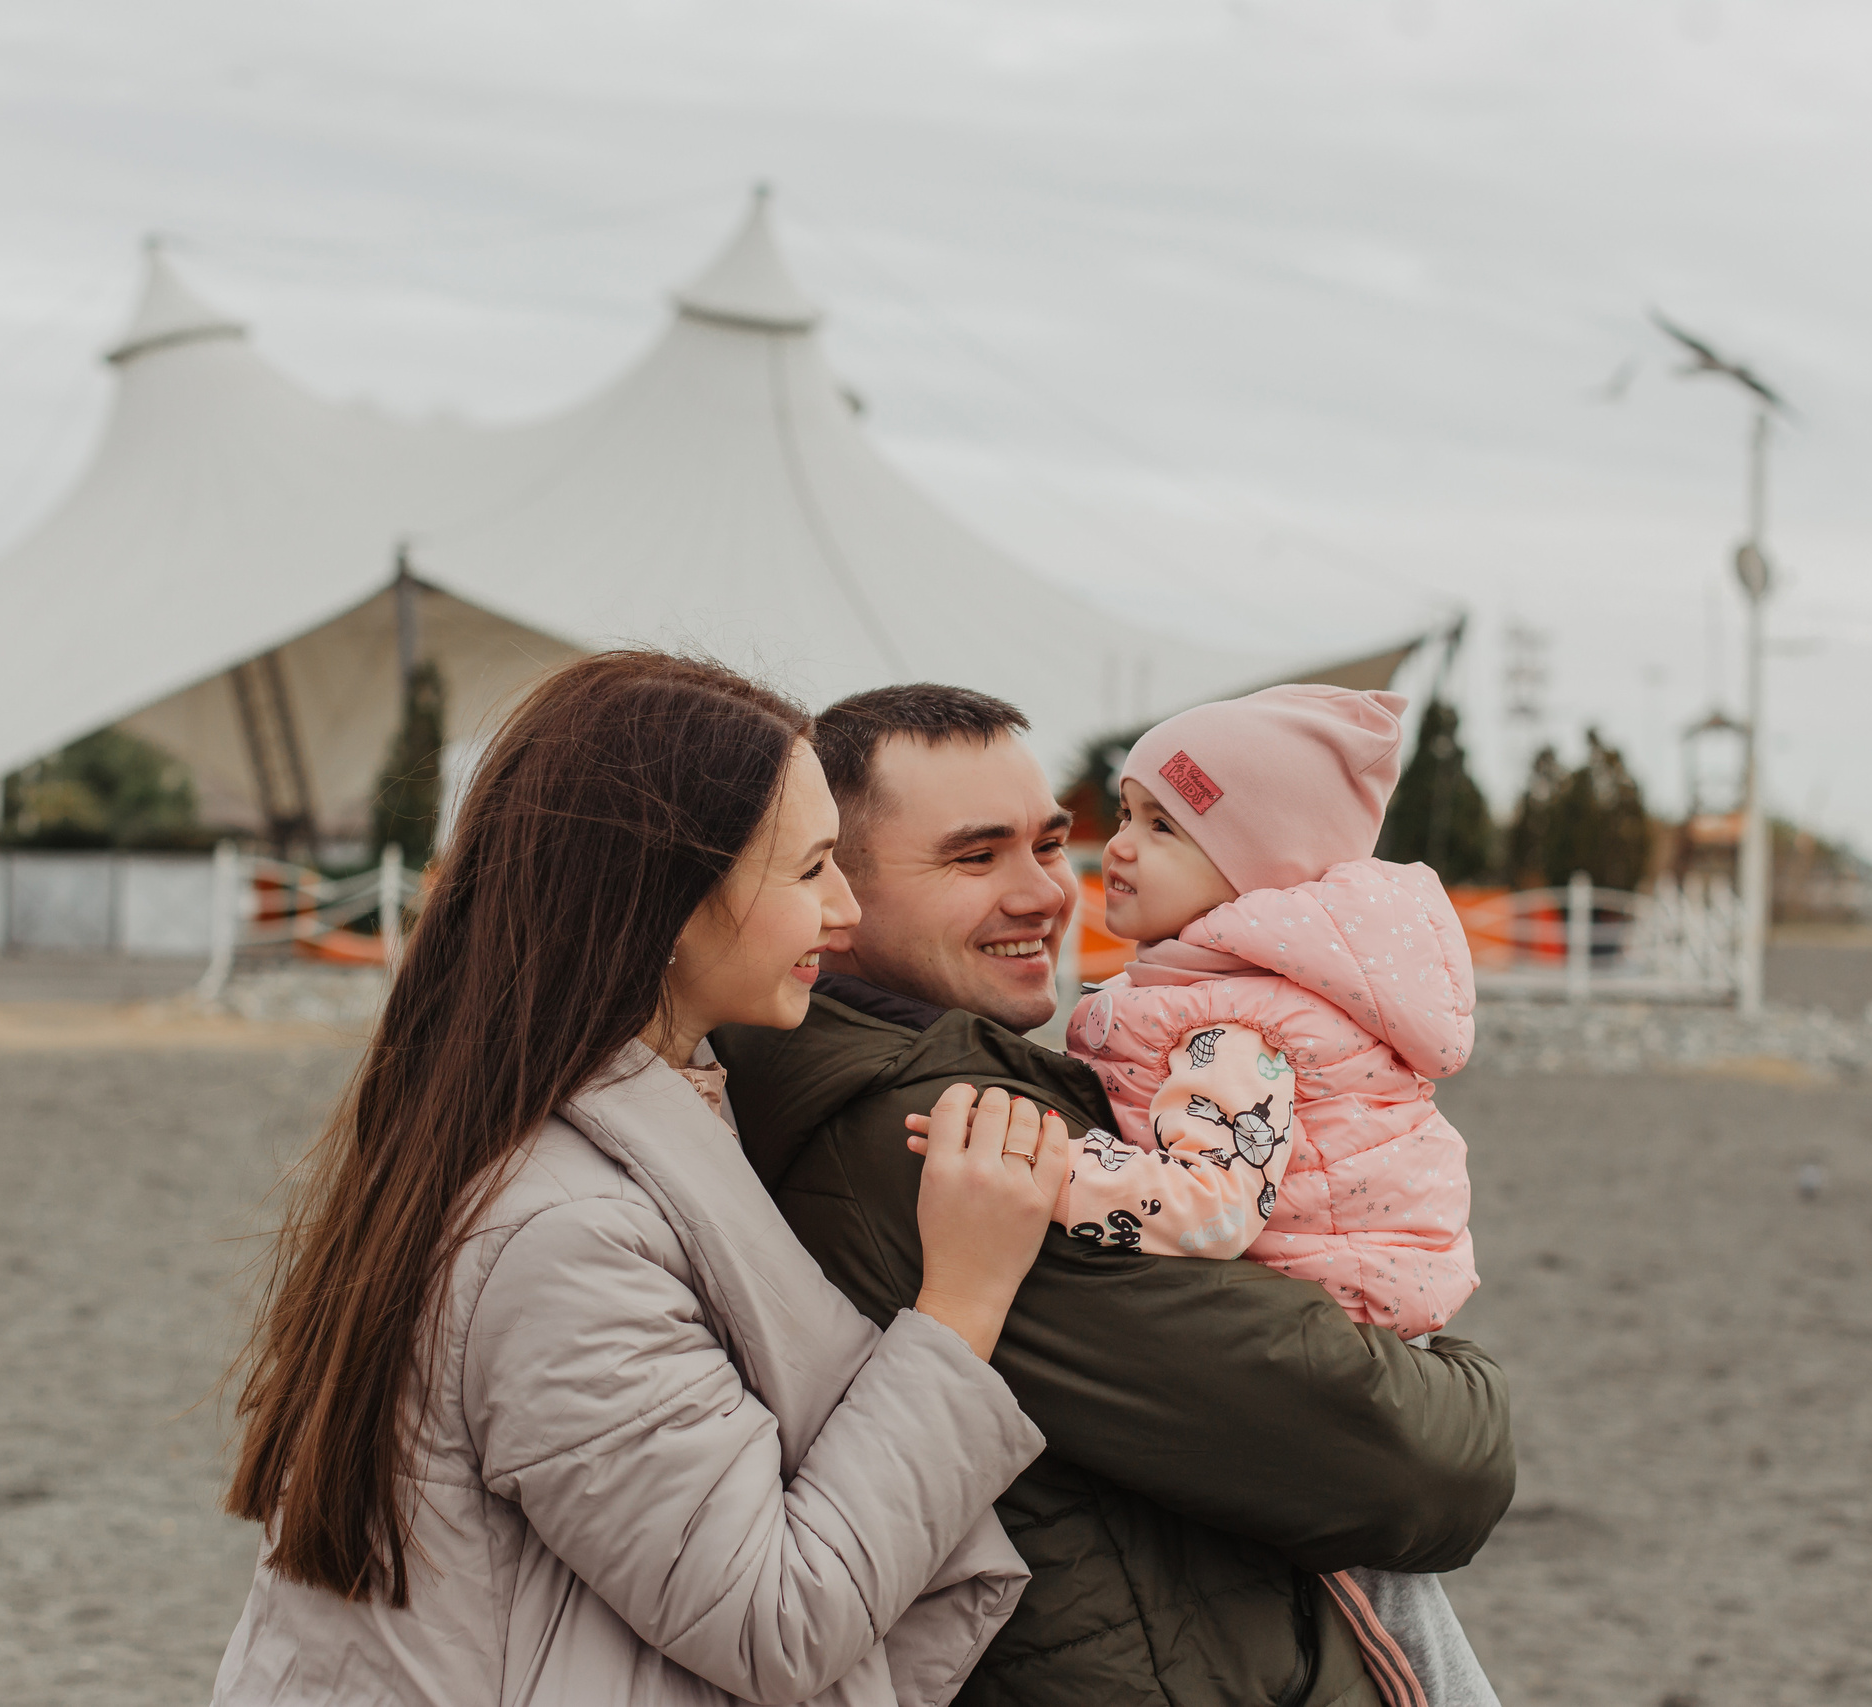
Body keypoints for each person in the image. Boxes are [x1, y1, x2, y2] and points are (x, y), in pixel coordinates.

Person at [212, 652, 1076, 1707]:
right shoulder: (561, 1234)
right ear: (666, 901)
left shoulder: (562, 1125)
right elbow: (777, 1622)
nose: (843, 910)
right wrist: (961, 1306)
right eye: (809, 870)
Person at [712, 685, 1516, 1707]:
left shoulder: (963, 1075)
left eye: (1050, 845)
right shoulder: (944, 1136)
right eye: (975, 856)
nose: (1047, 893)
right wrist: (1472, 1392)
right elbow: (1404, 1465)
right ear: (835, 886)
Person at [1061, 683, 1497, 1707]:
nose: (1118, 846)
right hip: (1342, 1305)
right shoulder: (1211, 988)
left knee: (1369, 1607)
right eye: (1125, 814)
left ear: (1251, 871)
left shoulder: (1236, 1032)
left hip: (1329, 1328)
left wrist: (1049, 1171)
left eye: (1163, 826)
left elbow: (1210, 1210)